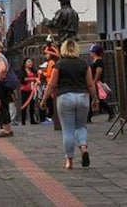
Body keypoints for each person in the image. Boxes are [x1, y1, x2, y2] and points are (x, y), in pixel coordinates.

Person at [40, 39, 99, 170]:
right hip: (83, 97)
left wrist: (44, 100)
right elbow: (90, 84)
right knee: (81, 126)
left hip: (65, 97)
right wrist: (95, 99)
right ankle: (83, 148)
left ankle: (69, 160)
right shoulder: (84, 64)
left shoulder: (59, 64)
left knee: (68, 130)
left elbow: (51, 84)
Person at [87, 45, 115, 122]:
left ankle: (89, 117)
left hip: (96, 83)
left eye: (91, 52)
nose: (90, 54)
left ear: (95, 53)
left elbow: (98, 72)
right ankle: (89, 117)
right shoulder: (96, 61)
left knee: (95, 99)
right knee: (96, 99)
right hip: (94, 82)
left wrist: (94, 82)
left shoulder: (99, 62)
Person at [19, 58, 38, 125]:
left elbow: (37, 78)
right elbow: (22, 80)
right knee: (24, 105)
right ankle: (23, 120)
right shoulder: (22, 71)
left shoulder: (34, 71)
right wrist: (32, 79)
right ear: (25, 63)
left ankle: (32, 120)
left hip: (32, 90)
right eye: (28, 62)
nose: (30, 63)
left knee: (32, 105)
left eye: (31, 62)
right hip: (25, 90)